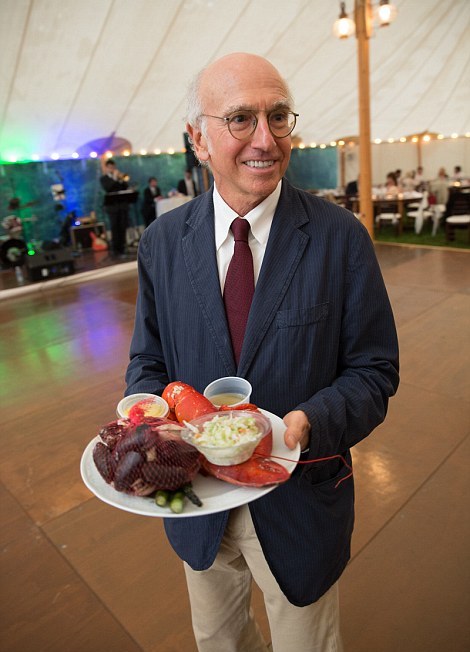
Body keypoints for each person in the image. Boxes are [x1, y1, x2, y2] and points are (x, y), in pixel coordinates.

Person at [125, 52, 399, 652]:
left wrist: (309, 421)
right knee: (218, 639)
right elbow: (148, 363)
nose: (265, 139)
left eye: (279, 117)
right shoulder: (165, 243)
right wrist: (142, 423)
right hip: (196, 504)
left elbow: (375, 371)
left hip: (300, 499)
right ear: (199, 139)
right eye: (241, 119)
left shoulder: (339, 238)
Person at [100, 158, 130, 258]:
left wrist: (120, 179)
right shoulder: (104, 179)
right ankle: (116, 250)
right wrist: (114, 178)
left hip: (122, 206)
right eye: (110, 167)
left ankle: (123, 248)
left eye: (113, 167)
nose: (112, 169)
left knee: (123, 227)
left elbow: (125, 186)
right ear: (107, 168)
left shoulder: (119, 178)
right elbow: (108, 188)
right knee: (115, 228)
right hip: (112, 208)